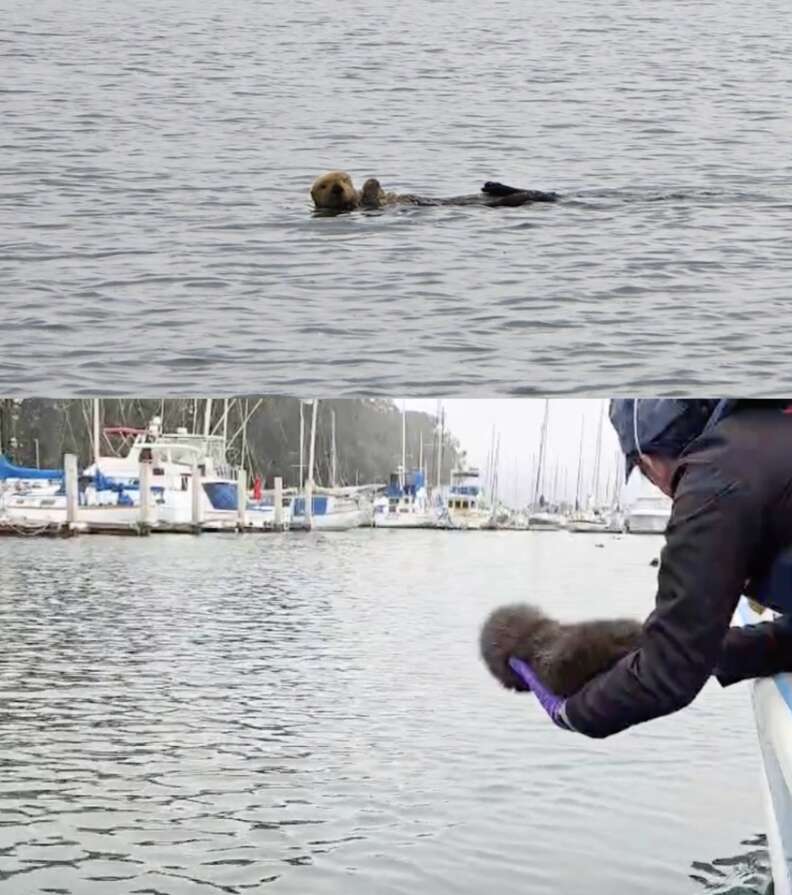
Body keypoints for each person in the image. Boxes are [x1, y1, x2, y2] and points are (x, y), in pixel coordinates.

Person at [513, 398, 792, 738]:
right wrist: (709, 651)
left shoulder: (714, 478)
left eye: (644, 473)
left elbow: (669, 672)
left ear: (647, 462)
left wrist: (572, 713)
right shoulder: (769, 436)